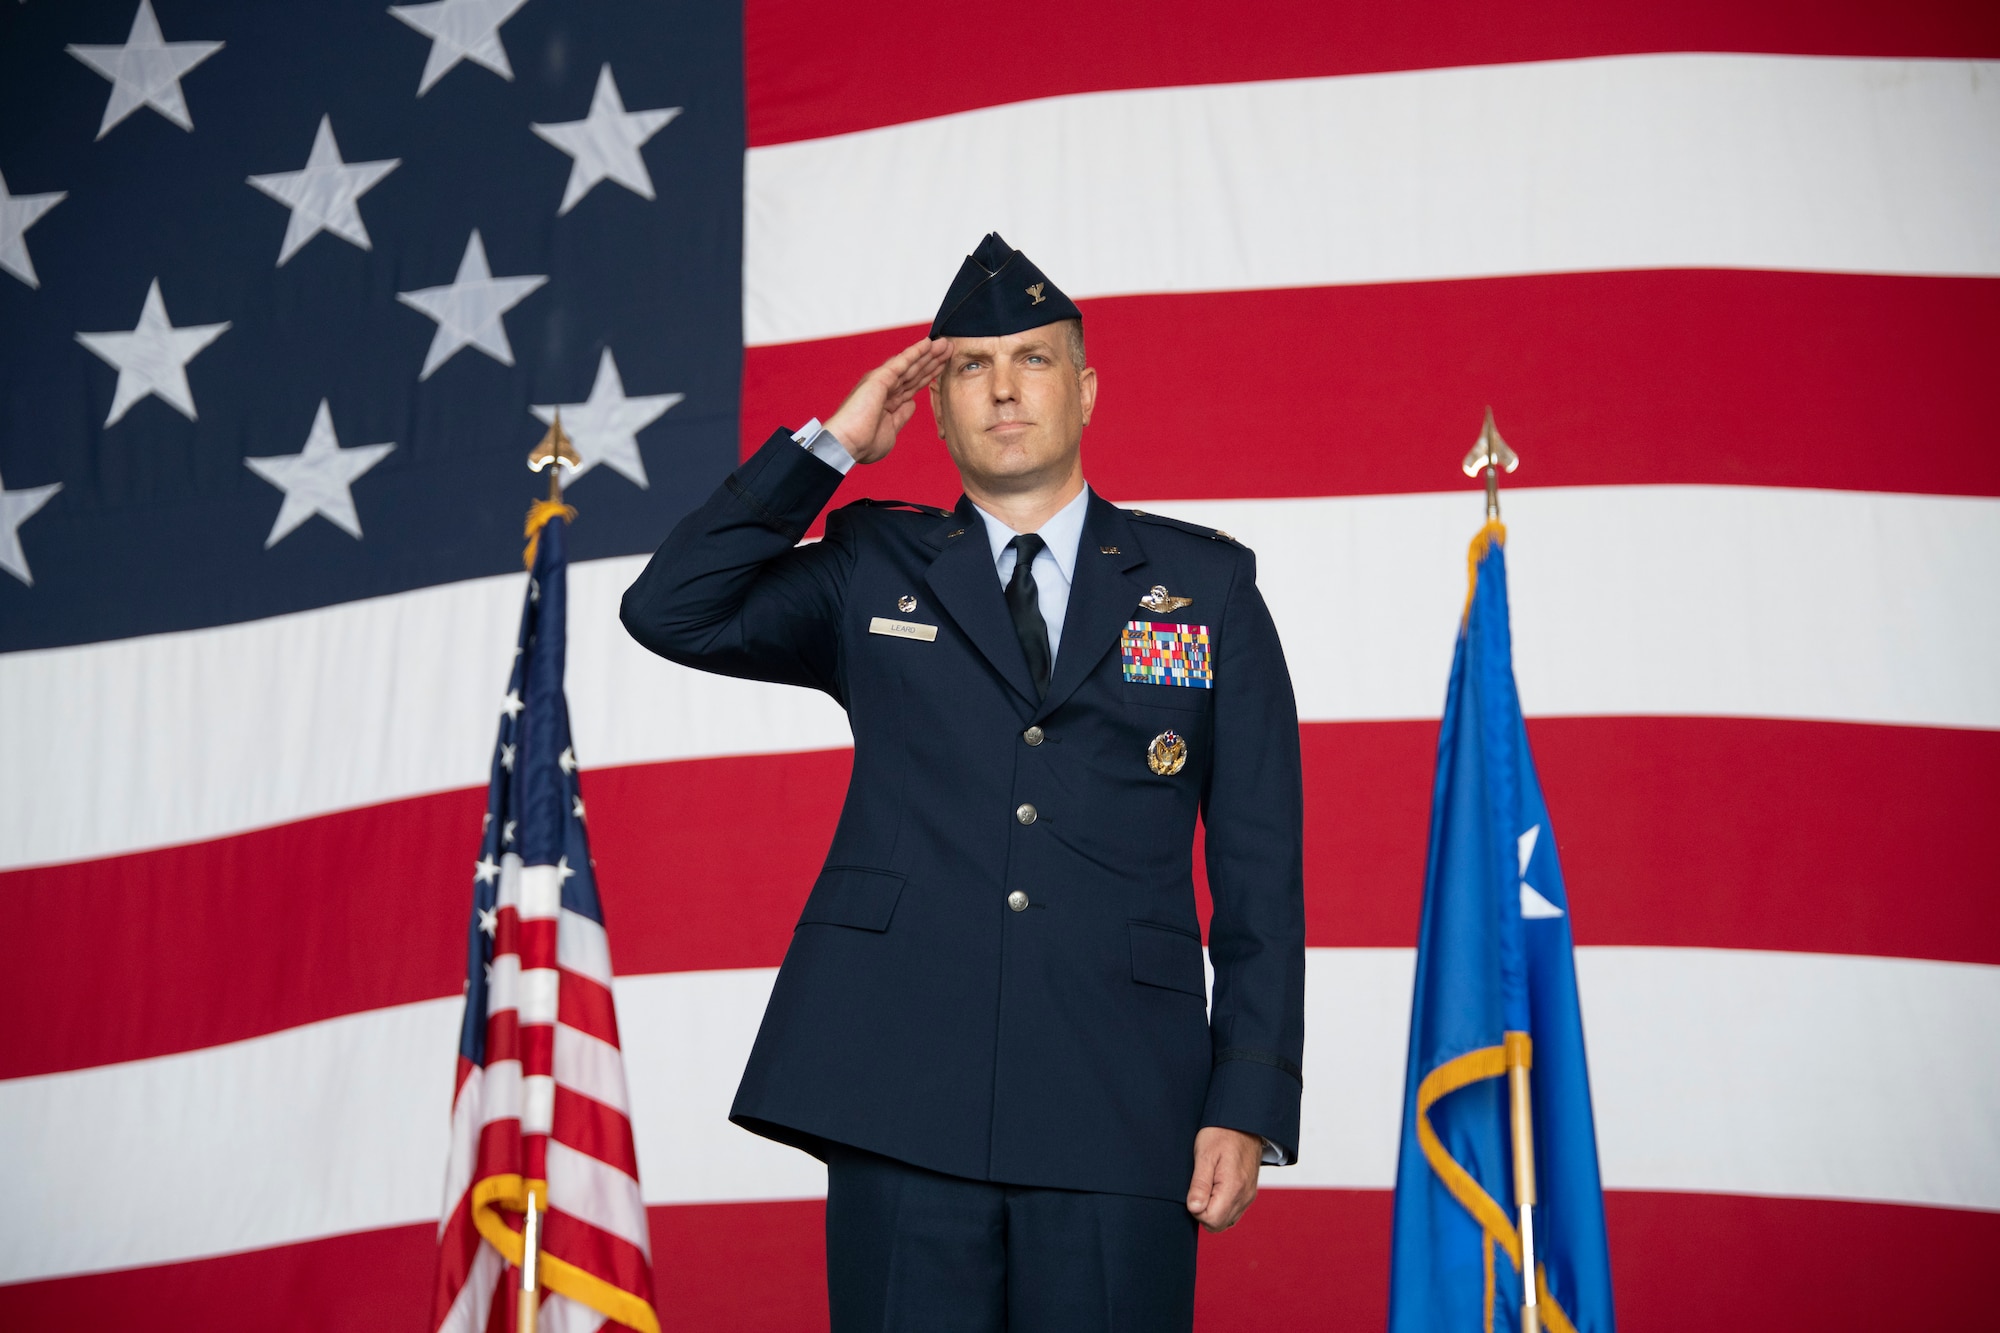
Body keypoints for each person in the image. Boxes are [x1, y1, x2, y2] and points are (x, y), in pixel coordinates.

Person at [621, 233, 1305, 1331]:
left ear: (1082, 390)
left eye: (1032, 360)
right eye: (970, 366)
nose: (1001, 388)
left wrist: (1248, 1098)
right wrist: (830, 447)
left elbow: (1260, 868)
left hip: (1120, 1093)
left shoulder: (1204, 586)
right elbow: (671, 608)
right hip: (901, 1084)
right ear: (933, 410)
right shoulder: (869, 565)